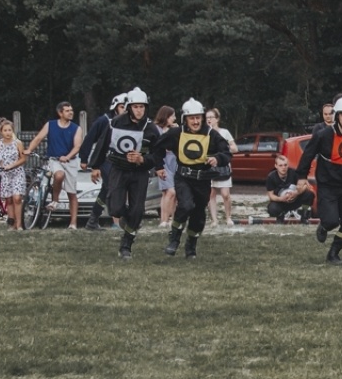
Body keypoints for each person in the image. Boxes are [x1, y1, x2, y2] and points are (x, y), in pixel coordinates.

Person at [296, 94, 342, 264]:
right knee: (330, 221)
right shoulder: (323, 135)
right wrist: (301, 177)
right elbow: (308, 155)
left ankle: (334, 253)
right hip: (327, 184)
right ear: (337, 116)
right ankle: (324, 227)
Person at [89, 88, 162, 258]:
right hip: (119, 169)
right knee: (115, 208)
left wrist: (144, 160)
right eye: (135, 107)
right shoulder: (115, 122)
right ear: (129, 107)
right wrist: (95, 166)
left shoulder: (151, 128)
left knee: (137, 211)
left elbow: (158, 154)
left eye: (142, 107)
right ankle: (124, 217)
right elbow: (103, 143)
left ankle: (126, 245)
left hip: (140, 173)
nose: (139, 110)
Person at [156, 98, 232, 258]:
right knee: (186, 205)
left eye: (198, 117)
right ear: (185, 118)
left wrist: (217, 158)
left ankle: (191, 245)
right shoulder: (176, 133)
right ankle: (174, 239)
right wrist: (159, 166)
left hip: (203, 180)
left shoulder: (211, 134)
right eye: (192, 118)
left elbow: (227, 152)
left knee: (198, 216)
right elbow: (158, 147)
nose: (196, 121)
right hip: (183, 177)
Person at [26, 101, 85, 228]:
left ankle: (73, 223)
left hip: (71, 161)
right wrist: (29, 150)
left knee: (71, 192)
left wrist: (67, 156)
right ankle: (55, 200)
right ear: (60, 113)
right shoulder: (50, 125)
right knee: (59, 175)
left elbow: (77, 146)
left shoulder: (76, 128)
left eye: (71, 110)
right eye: (67, 110)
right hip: (54, 159)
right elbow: (38, 138)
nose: (71, 112)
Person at [80, 92, 128, 229]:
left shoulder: (129, 124)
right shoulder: (104, 121)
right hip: (105, 159)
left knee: (106, 190)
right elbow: (89, 139)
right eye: (122, 106)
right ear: (115, 107)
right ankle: (120, 220)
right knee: (113, 186)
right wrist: (85, 159)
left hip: (120, 160)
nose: (125, 109)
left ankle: (93, 220)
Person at [204, 108, 238, 226]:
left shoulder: (224, 132)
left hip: (223, 166)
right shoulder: (204, 133)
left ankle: (228, 217)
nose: (208, 120)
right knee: (211, 194)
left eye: (211, 117)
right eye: (207, 118)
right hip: (209, 166)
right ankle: (214, 220)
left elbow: (235, 148)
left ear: (217, 119)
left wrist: (223, 148)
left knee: (225, 194)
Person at [265, 153, 313, 222]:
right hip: (281, 202)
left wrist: (296, 193)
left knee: (309, 194)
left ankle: (304, 216)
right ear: (276, 166)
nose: (283, 167)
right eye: (280, 165)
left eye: (285, 165)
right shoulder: (271, 177)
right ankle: (280, 216)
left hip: (295, 200)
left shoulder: (294, 173)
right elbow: (271, 195)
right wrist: (281, 199)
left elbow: (305, 186)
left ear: (288, 165)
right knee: (272, 208)